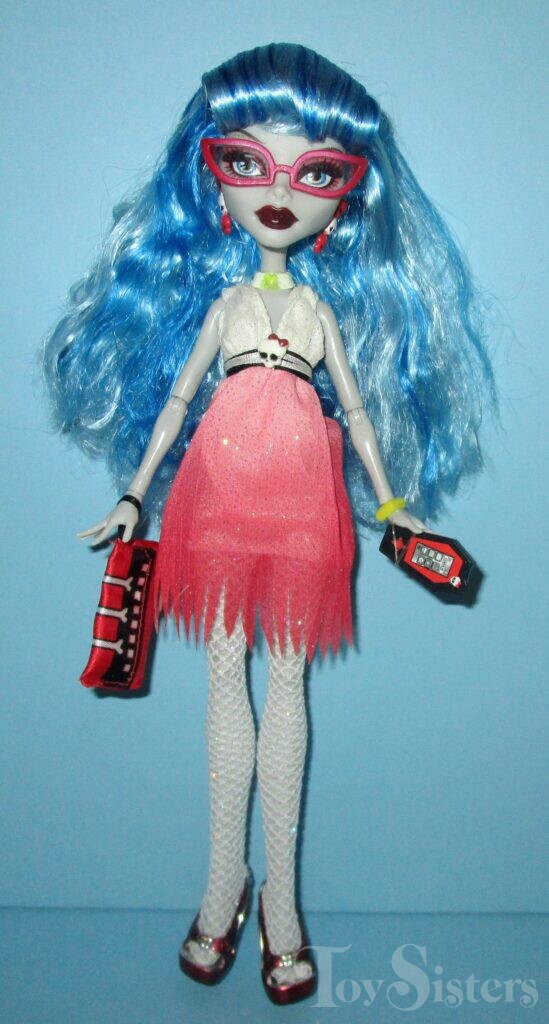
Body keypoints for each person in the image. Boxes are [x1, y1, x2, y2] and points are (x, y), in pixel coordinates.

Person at [44, 43, 494, 1005]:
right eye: (247, 162)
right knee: (224, 680)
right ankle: (224, 886)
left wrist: (390, 504)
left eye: (318, 173)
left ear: (346, 199)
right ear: (211, 180)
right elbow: (177, 401)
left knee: (285, 682)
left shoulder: (322, 316)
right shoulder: (223, 303)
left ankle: (280, 906)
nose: (281, 193)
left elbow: (358, 412)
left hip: (301, 501)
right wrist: (135, 492)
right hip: (215, 494)